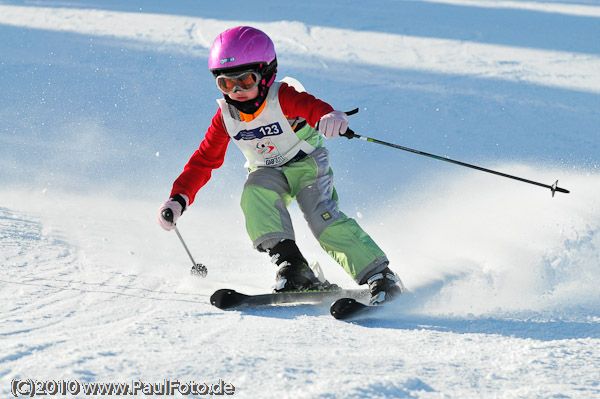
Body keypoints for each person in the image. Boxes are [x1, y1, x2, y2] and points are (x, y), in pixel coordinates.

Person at [157, 26, 404, 305]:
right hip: (266, 170)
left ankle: (380, 275)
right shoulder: (225, 117)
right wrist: (179, 198)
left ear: (266, 75)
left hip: (306, 164)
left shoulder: (281, 97)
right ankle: (295, 268)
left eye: (246, 81)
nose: (236, 91)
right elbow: (204, 160)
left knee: (320, 215)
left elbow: (311, 106)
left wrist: (328, 116)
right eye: (226, 84)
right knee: (254, 194)